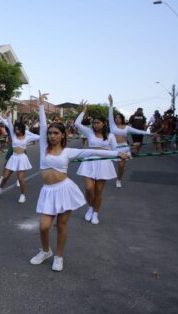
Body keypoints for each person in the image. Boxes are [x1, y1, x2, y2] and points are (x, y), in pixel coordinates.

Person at [30, 92, 128, 272]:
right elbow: (43, 125)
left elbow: (93, 153)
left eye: (56, 133)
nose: (51, 136)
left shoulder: (69, 152)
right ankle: (45, 251)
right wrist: (41, 106)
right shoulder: (44, 146)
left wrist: (117, 153)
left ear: (62, 136)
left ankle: (59, 256)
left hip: (64, 190)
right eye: (50, 133)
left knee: (61, 225)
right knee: (44, 226)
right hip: (48, 191)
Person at [75, 101, 119, 225]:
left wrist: (124, 155)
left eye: (98, 122)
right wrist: (83, 111)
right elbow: (77, 123)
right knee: (89, 188)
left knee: (98, 191)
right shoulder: (89, 132)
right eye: (94, 122)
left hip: (104, 163)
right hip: (89, 162)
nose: (95, 125)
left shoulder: (110, 136)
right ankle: (90, 206)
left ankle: (95, 213)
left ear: (104, 123)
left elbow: (116, 150)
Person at [0, 112, 40, 202]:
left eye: (18, 129)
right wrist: (7, 116)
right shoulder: (13, 135)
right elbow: (8, 124)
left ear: (21, 129)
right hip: (13, 158)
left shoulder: (27, 137)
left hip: (22, 159)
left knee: (21, 179)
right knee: (5, 177)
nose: (16, 130)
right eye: (15, 129)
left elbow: (39, 137)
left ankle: (22, 195)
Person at [107, 94, 151, 187]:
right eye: (116, 117)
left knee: (122, 165)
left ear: (122, 118)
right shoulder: (112, 125)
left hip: (124, 147)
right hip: (113, 148)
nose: (117, 119)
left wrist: (150, 133)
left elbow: (138, 131)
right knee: (107, 162)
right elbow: (110, 114)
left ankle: (119, 180)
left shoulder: (126, 127)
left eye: (119, 117)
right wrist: (111, 103)